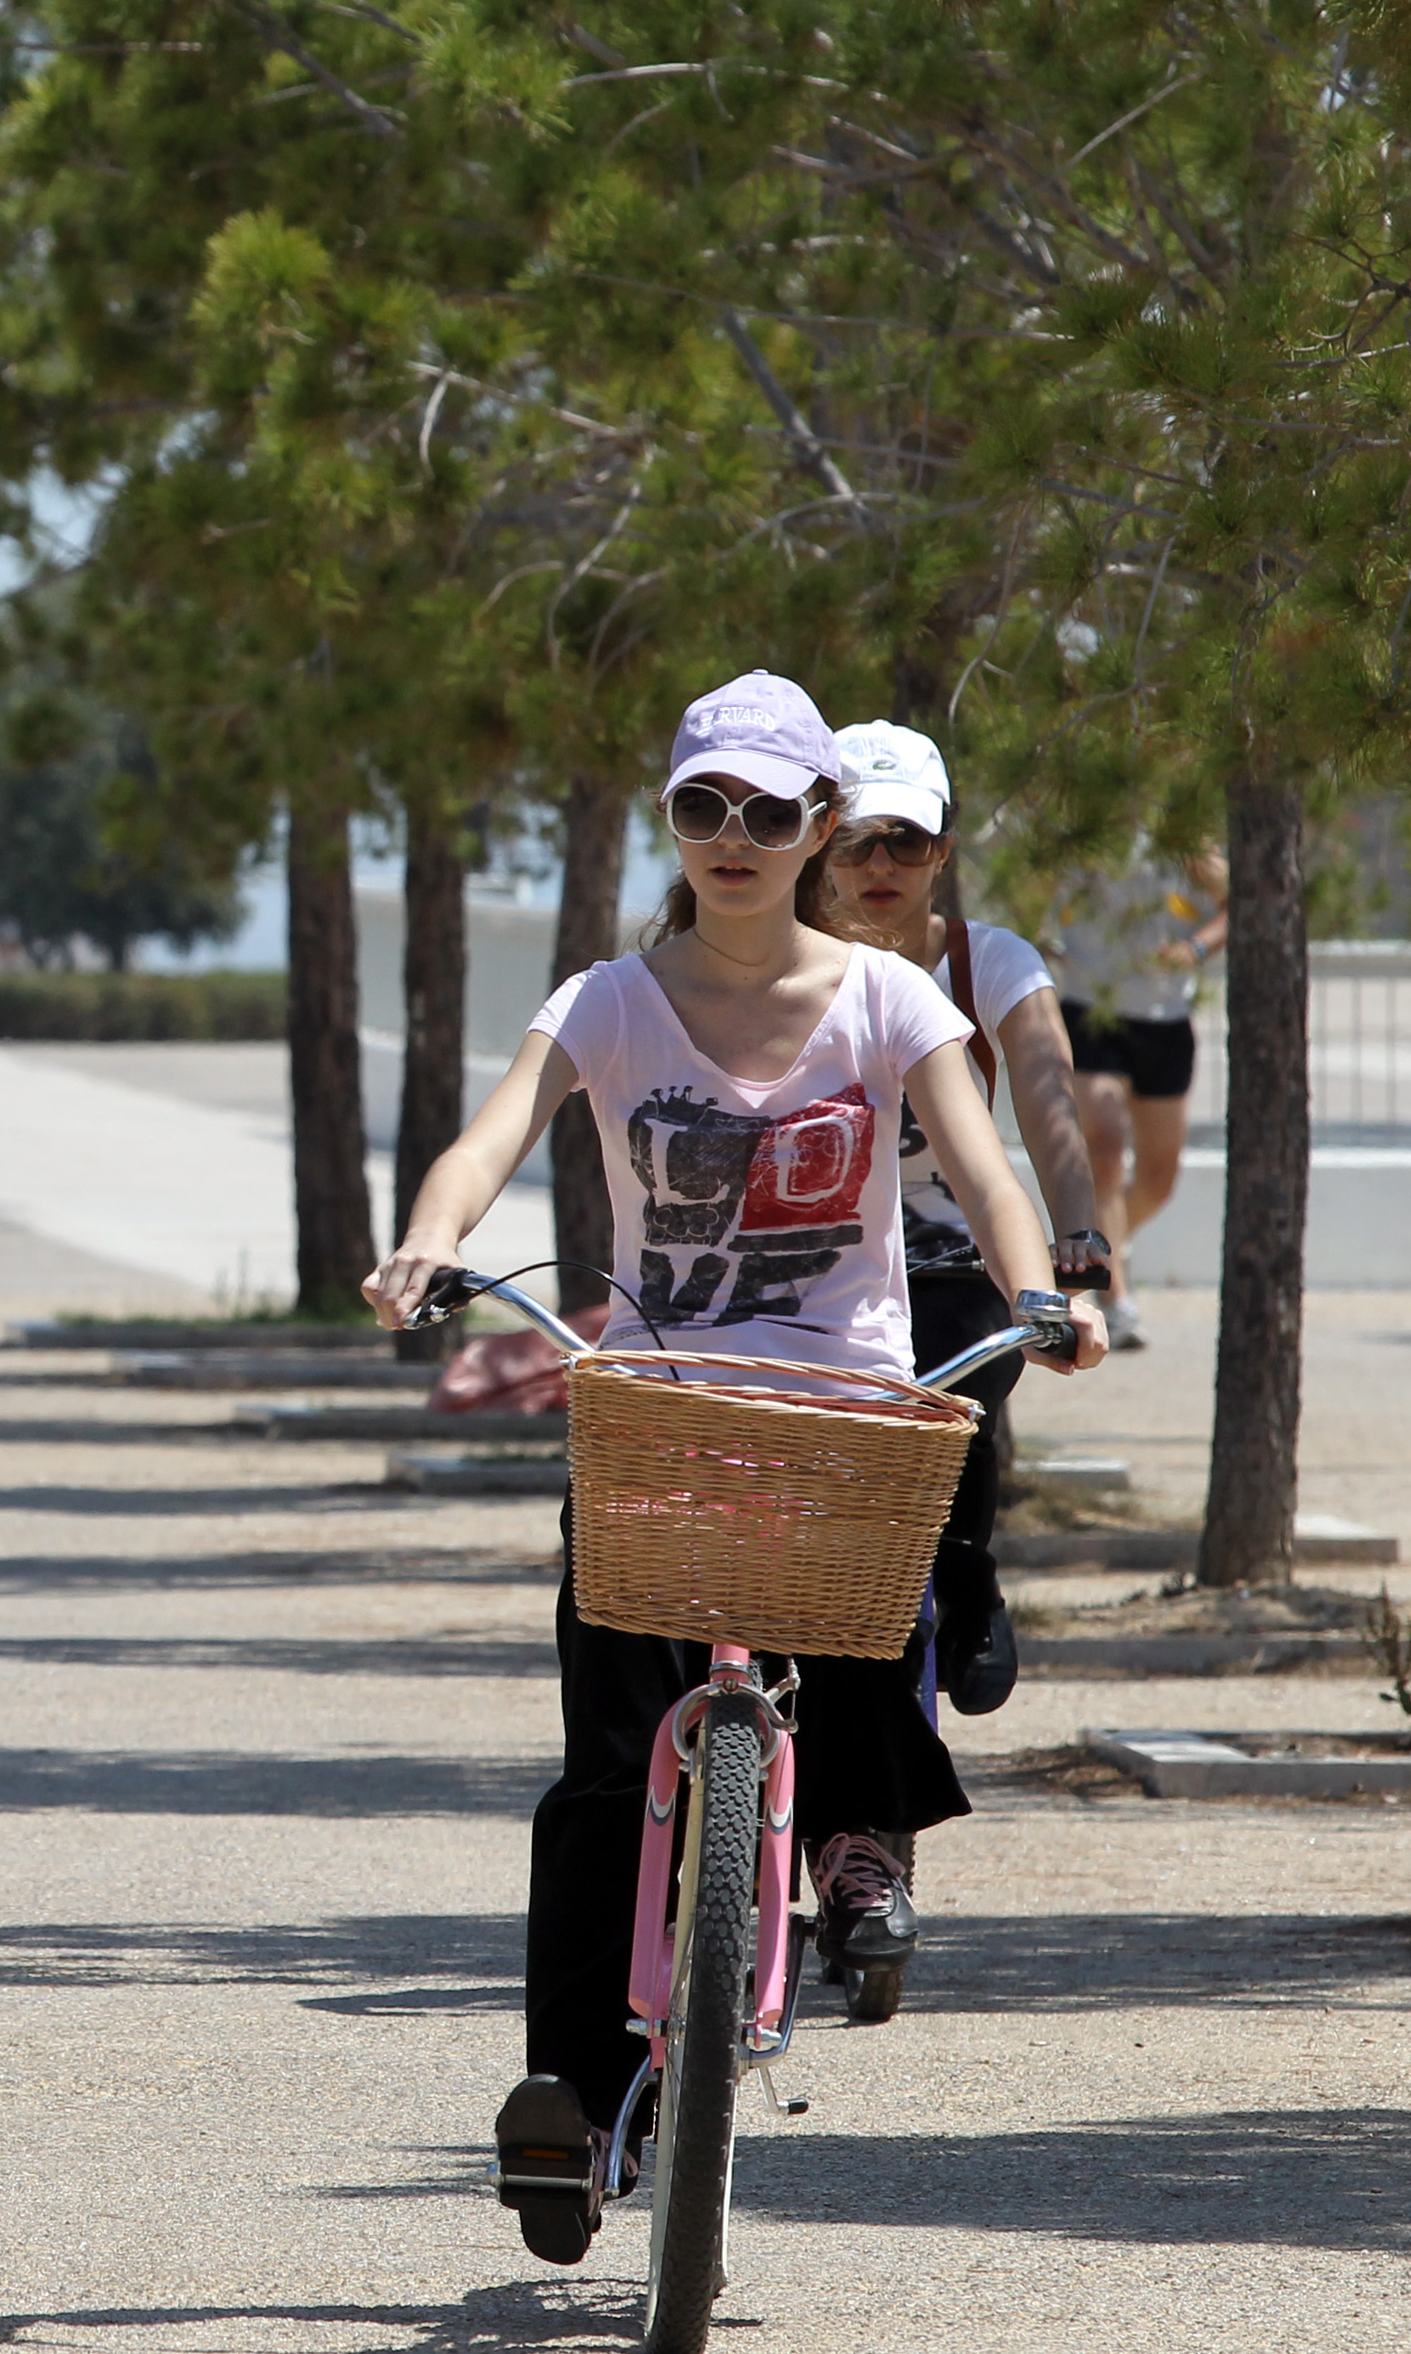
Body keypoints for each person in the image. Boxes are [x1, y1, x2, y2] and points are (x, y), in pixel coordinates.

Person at [360, 670, 1102, 2268]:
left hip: (839, 1409)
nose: (733, 836)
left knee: (866, 1634)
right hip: (658, 1412)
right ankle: (571, 2103)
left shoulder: (888, 1001)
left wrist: (1041, 1290)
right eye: (703, 806)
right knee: (602, 1766)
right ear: (670, 819)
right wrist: (426, 1238)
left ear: (816, 824)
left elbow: (986, 1174)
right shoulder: (607, 1002)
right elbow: (488, 1137)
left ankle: (849, 1852)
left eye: (767, 810)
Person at [822, 723, 1109, 1715]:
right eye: (857, 840)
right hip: (810, 1253)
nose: (880, 865)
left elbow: (1049, 1104)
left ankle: (965, 1571)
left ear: (942, 850)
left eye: (905, 840)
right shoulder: (779, 965)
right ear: (817, 845)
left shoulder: (990, 964)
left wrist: (1078, 1240)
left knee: (961, 1378)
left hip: (950, 1251)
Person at [1044, 850, 1228, 1351]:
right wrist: (1036, 942)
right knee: (1103, 1152)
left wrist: (1196, 947)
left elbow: (1234, 903)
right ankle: (1117, 1300)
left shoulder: (1182, 838)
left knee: (1159, 1178)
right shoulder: (1079, 828)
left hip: (1164, 1019)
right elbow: (1025, 883)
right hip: (1090, 1010)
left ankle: (1110, 1246)